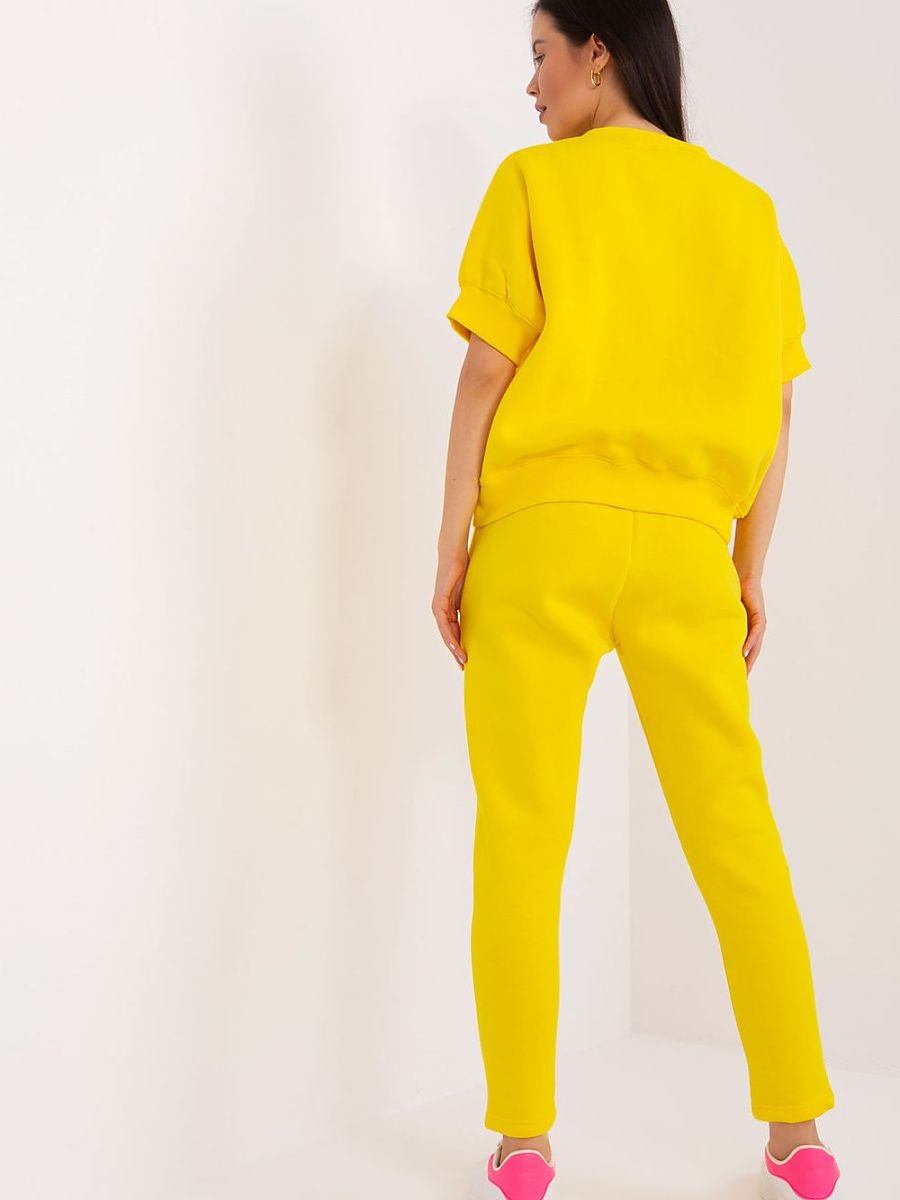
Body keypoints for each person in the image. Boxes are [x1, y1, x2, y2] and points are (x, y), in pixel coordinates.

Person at [432, 3, 842, 1199]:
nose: (532, 87)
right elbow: (775, 408)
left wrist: (450, 548)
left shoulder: (533, 185)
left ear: (598, 49)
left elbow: (486, 369)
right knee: (735, 834)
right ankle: (801, 1129)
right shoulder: (744, 212)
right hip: (684, 552)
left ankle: (522, 1141)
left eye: (540, 55)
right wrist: (748, 565)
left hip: (542, 539)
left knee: (522, 834)